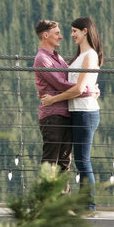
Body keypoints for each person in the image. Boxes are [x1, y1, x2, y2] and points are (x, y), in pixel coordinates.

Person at [41, 17, 103, 197]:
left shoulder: (89, 55)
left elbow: (78, 88)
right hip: (77, 112)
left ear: (85, 31)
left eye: (75, 31)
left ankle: (88, 204)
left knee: (83, 161)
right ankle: (84, 203)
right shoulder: (81, 56)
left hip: (85, 112)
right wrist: (91, 89)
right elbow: (82, 85)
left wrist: (53, 100)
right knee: (80, 160)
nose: (72, 35)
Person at [33, 19, 78, 177]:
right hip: (52, 116)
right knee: (51, 163)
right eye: (57, 33)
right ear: (45, 35)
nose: (61, 37)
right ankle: (46, 200)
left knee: (64, 163)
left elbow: (67, 80)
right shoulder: (42, 59)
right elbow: (61, 84)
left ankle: (62, 200)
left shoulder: (57, 58)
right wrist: (86, 90)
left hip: (65, 114)